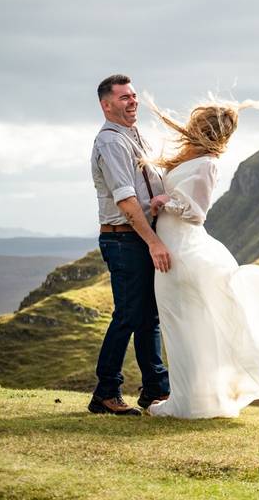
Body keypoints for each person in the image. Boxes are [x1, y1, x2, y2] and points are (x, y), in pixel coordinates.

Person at [143, 97, 259, 419]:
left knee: (188, 324)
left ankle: (190, 403)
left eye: (201, 123)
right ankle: (191, 398)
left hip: (183, 250)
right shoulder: (190, 159)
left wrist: (166, 203)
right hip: (172, 247)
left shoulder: (208, 164)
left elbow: (197, 213)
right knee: (178, 325)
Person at [87, 74, 172, 416]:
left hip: (135, 236)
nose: (132, 101)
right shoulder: (111, 142)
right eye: (124, 97)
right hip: (124, 239)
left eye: (133, 96)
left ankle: (155, 392)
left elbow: (142, 191)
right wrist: (153, 242)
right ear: (106, 105)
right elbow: (125, 201)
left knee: (148, 317)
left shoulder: (135, 136)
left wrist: (159, 202)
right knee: (127, 316)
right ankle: (106, 392)